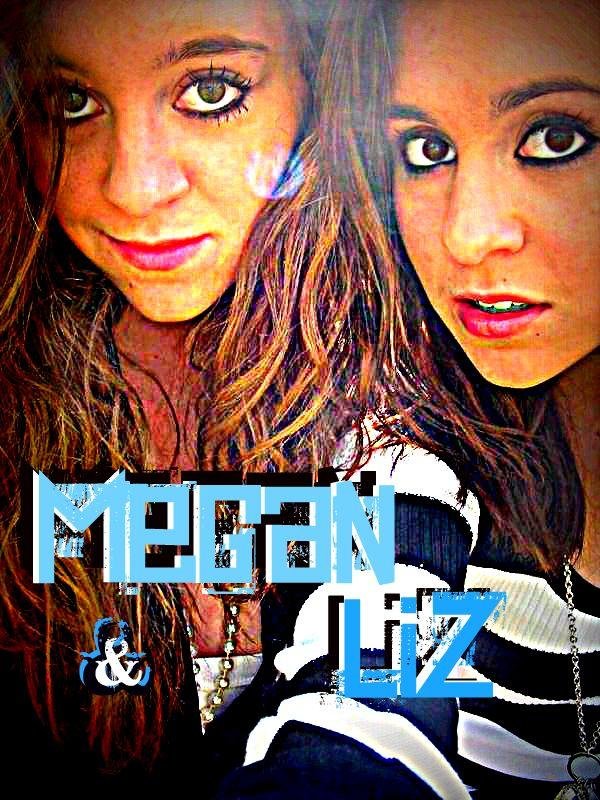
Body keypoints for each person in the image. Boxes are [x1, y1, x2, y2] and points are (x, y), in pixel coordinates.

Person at [0, 0, 397, 791]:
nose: (134, 188)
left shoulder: (439, 378)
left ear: (319, 83)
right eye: (72, 103)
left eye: (211, 92)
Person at [310, 0, 599, 797]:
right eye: (427, 151)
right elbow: (359, 707)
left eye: (556, 139)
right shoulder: (407, 460)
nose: (467, 236)